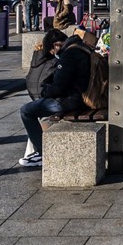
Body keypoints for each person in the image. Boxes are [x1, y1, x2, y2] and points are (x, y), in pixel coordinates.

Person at [18, 27, 93, 167]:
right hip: (78, 96)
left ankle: (42, 152)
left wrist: (45, 91)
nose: (54, 53)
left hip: (72, 99)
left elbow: (59, 87)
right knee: (36, 107)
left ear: (55, 46)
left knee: (26, 111)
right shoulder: (78, 48)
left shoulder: (68, 55)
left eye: (53, 50)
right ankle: (39, 149)